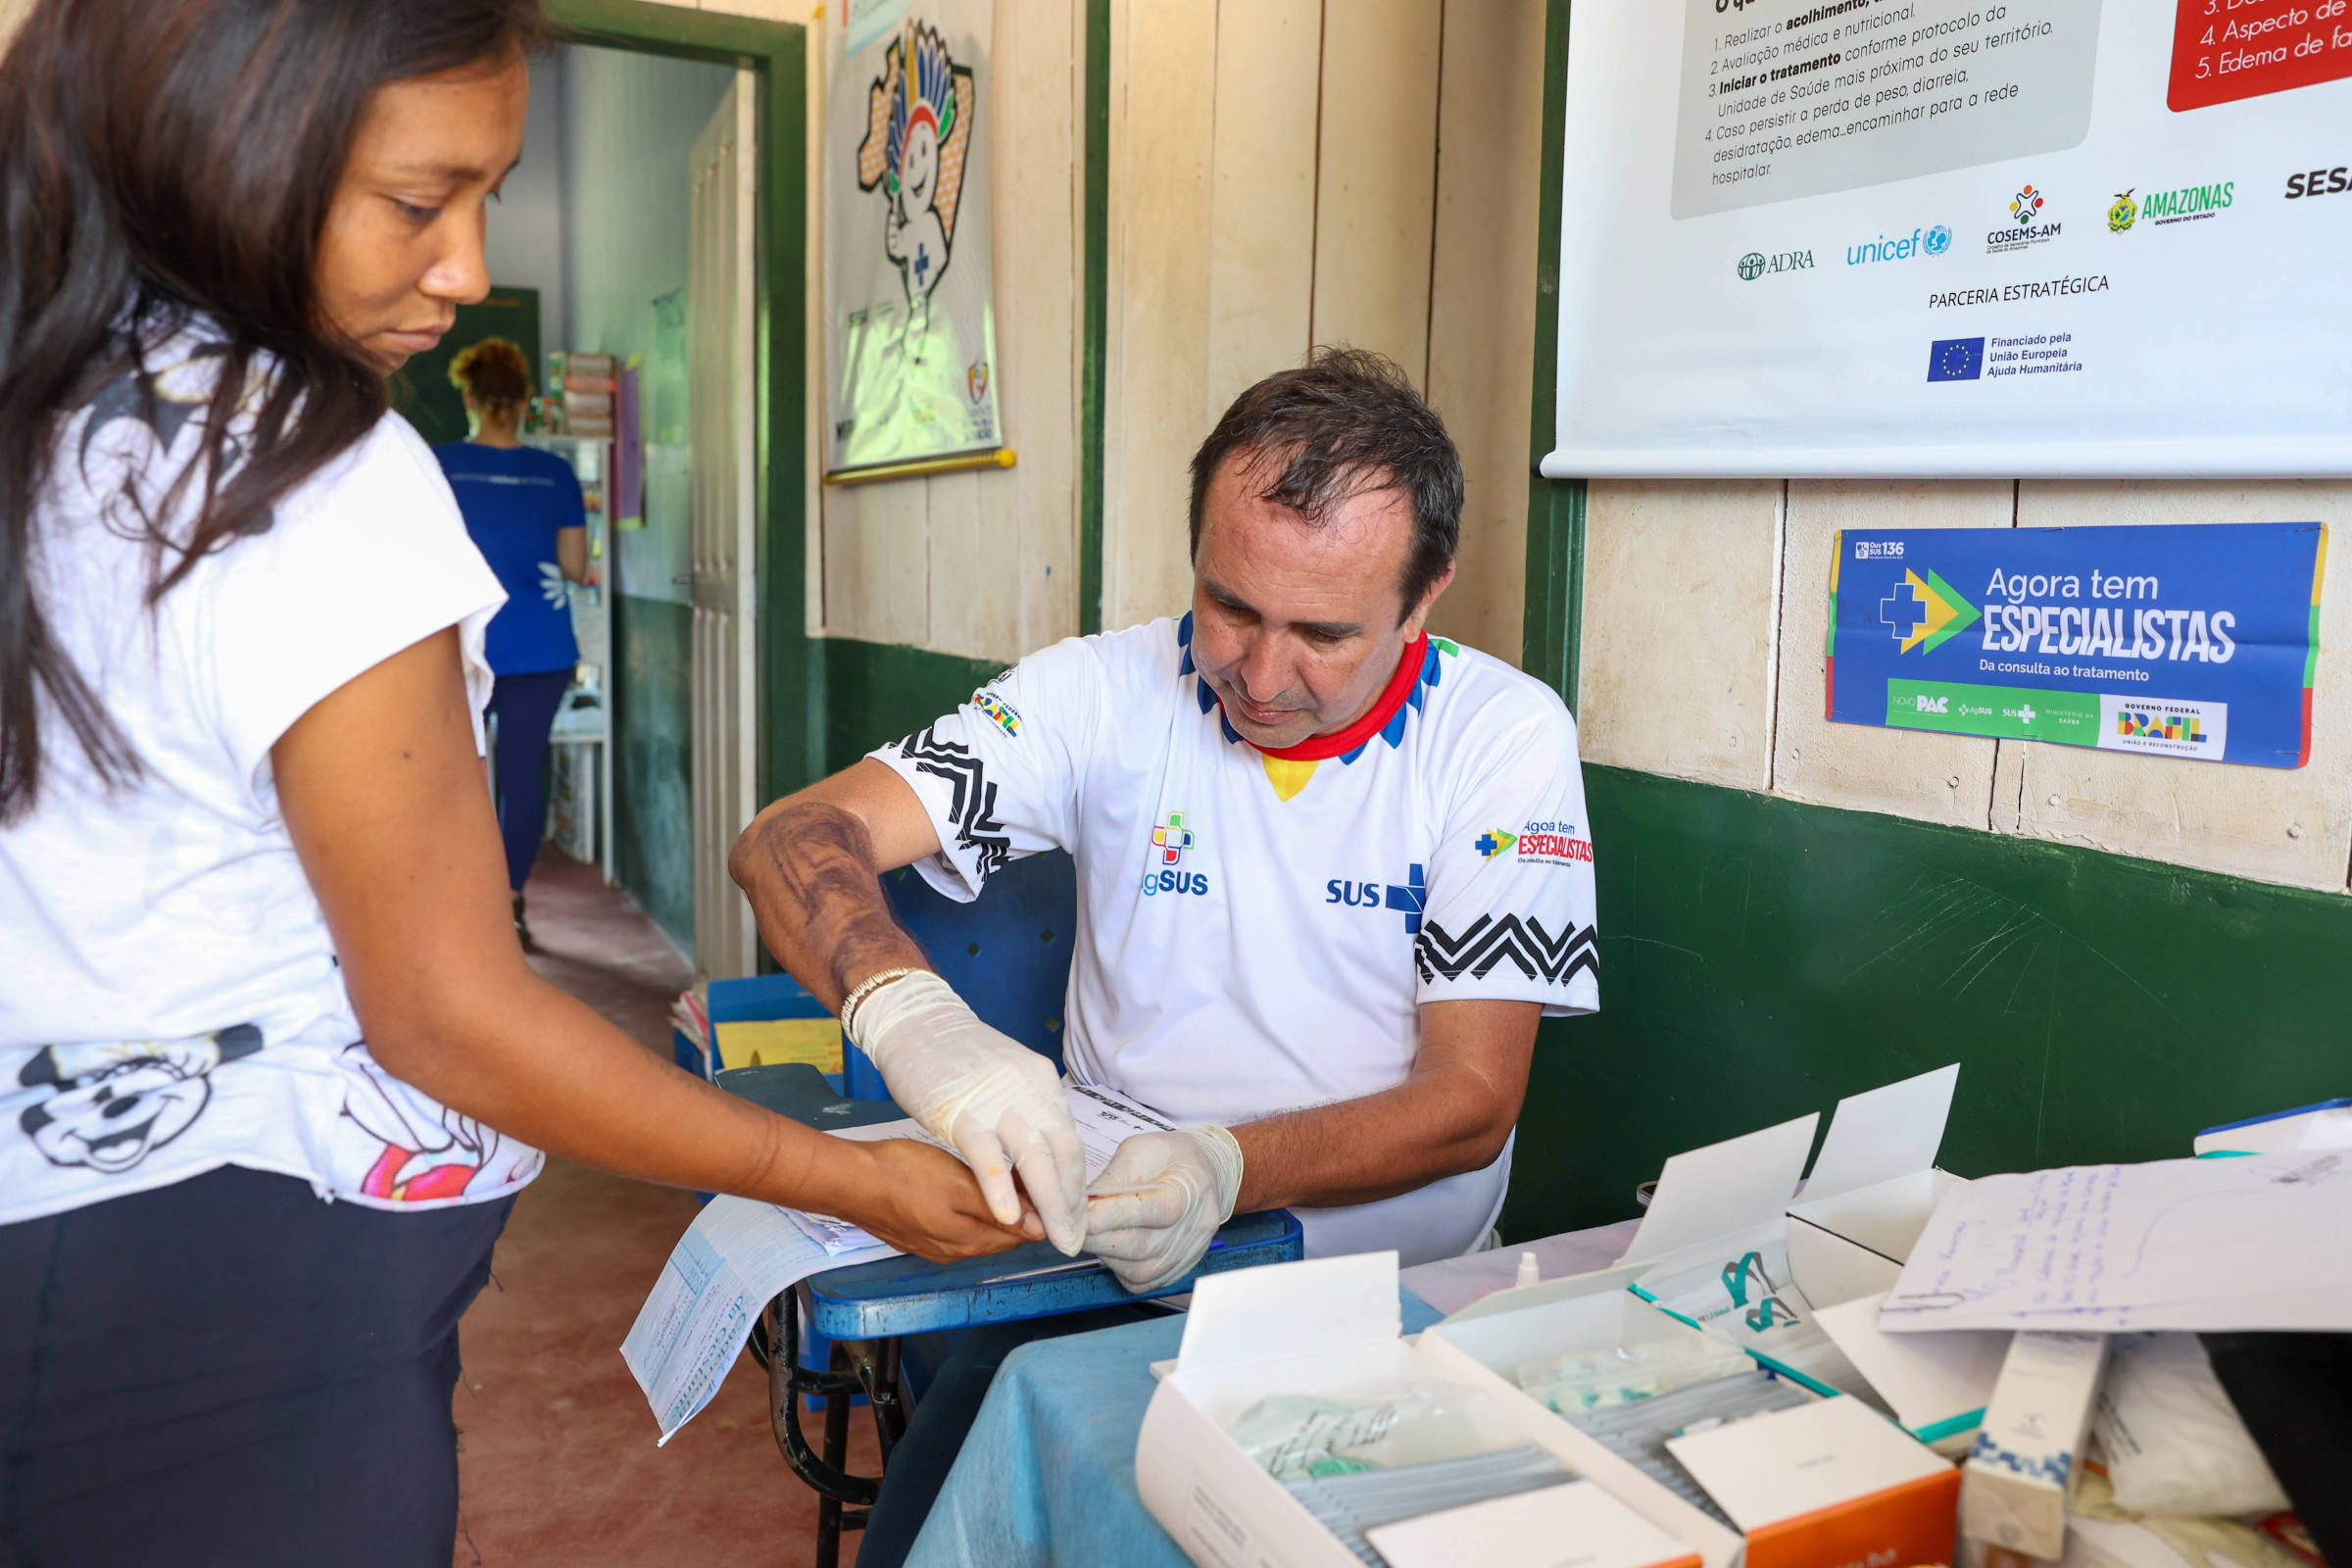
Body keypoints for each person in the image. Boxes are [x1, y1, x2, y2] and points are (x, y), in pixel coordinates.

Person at [0, 4, 1028, 1563]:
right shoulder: (304, 464)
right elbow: (446, 1012)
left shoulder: (75, 410)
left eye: (488, 197)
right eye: (420, 201)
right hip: (231, 1328)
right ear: (212, 156)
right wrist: (848, 1176)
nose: (468, 265)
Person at [730, 348, 1600, 1562]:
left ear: (1426, 594)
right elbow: (789, 838)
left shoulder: (1500, 737)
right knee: (962, 1502)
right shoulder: (1102, 691)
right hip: (1100, 1246)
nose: (1258, 672)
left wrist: (1225, 1168)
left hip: (1374, 1259)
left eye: (1324, 634)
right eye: (1231, 605)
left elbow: (1469, 1106)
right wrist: (910, 1019)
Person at [434, 337, 595, 946]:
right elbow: (576, 566)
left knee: (455, 777)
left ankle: (459, 905)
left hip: (457, 646)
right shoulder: (555, 473)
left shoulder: (439, 465)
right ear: (527, 400)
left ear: (470, 396)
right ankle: (509, 902)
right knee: (523, 776)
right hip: (540, 645)